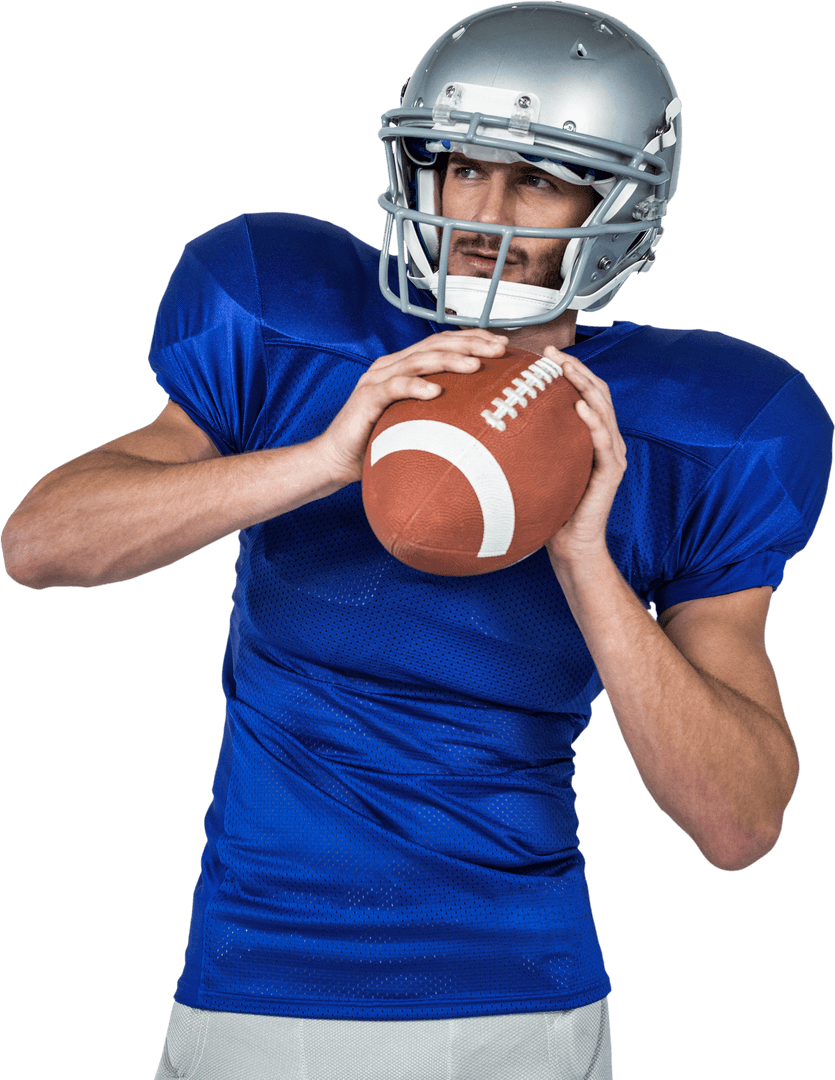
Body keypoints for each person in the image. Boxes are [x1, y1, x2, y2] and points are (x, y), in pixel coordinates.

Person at [1, 3, 831, 1079]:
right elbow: (39, 544)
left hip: (515, 999)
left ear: (618, 201)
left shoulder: (696, 428)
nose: (483, 211)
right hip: (252, 980)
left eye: (538, 177)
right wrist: (326, 458)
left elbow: (739, 823)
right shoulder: (296, 327)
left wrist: (584, 556)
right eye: (459, 165)